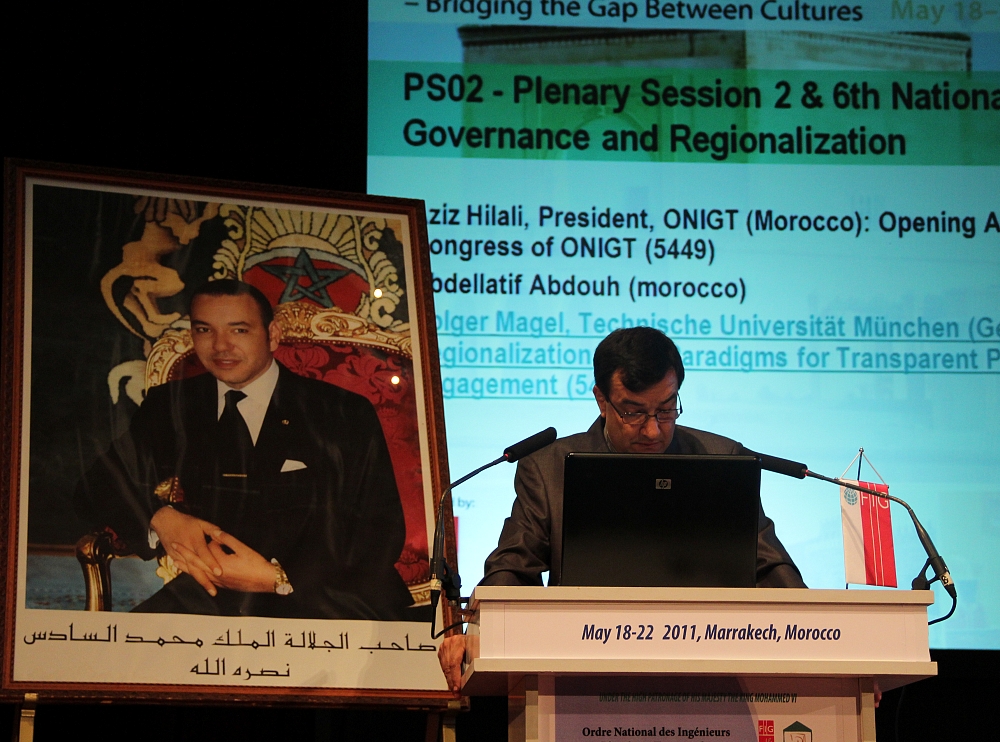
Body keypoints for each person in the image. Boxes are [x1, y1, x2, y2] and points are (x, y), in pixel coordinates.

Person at [438, 326, 805, 690]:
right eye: (633, 412)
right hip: (581, 670)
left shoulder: (723, 459)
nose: (653, 430)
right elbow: (513, 567)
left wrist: (809, 629)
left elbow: (768, 564)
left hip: (709, 667)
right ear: (601, 400)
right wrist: (480, 634)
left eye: (666, 409)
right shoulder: (548, 467)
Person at [75, 279, 414, 620]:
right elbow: (96, 484)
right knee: (121, 647)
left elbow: (380, 531)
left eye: (239, 330)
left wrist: (278, 579)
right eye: (204, 330)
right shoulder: (173, 405)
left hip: (329, 595)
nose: (221, 346)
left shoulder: (341, 411)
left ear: (272, 335)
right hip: (211, 595)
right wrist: (160, 518)